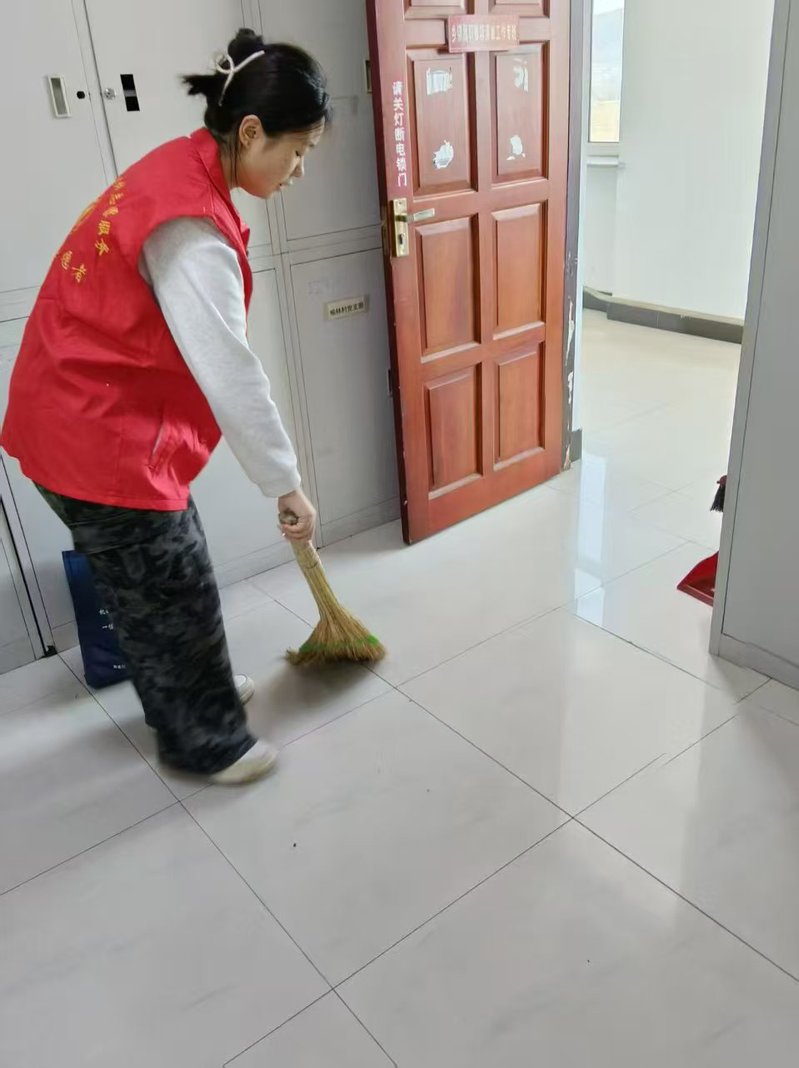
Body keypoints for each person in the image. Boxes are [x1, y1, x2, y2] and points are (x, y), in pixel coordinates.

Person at [0, 29, 331, 784]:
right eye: (298, 150)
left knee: (153, 581)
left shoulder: (181, 166)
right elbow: (231, 372)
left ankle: (188, 694)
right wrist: (285, 484)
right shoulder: (189, 226)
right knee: (171, 586)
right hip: (93, 434)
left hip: (78, 416)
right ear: (252, 132)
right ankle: (204, 741)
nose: (299, 170)